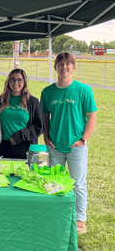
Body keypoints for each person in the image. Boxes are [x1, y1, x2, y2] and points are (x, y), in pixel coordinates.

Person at [40, 53, 97, 235]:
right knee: (54, 182)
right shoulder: (47, 92)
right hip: (55, 146)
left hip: (76, 147)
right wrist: (46, 136)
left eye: (68, 64)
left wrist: (83, 139)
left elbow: (91, 116)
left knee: (78, 184)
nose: (64, 67)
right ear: (55, 67)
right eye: (60, 64)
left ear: (73, 67)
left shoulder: (83, 90)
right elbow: (45, 117)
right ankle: (55, 214)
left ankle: (80, 219)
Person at [0, 69, 44, 160]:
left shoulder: (33, 102)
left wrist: (21, 135)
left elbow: (40, 126)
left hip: (25, 147)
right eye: (12, 79)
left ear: (24, 82)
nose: (15, 82)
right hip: (3, 147)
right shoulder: (0, 100)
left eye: (19, 79)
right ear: (8, 82)